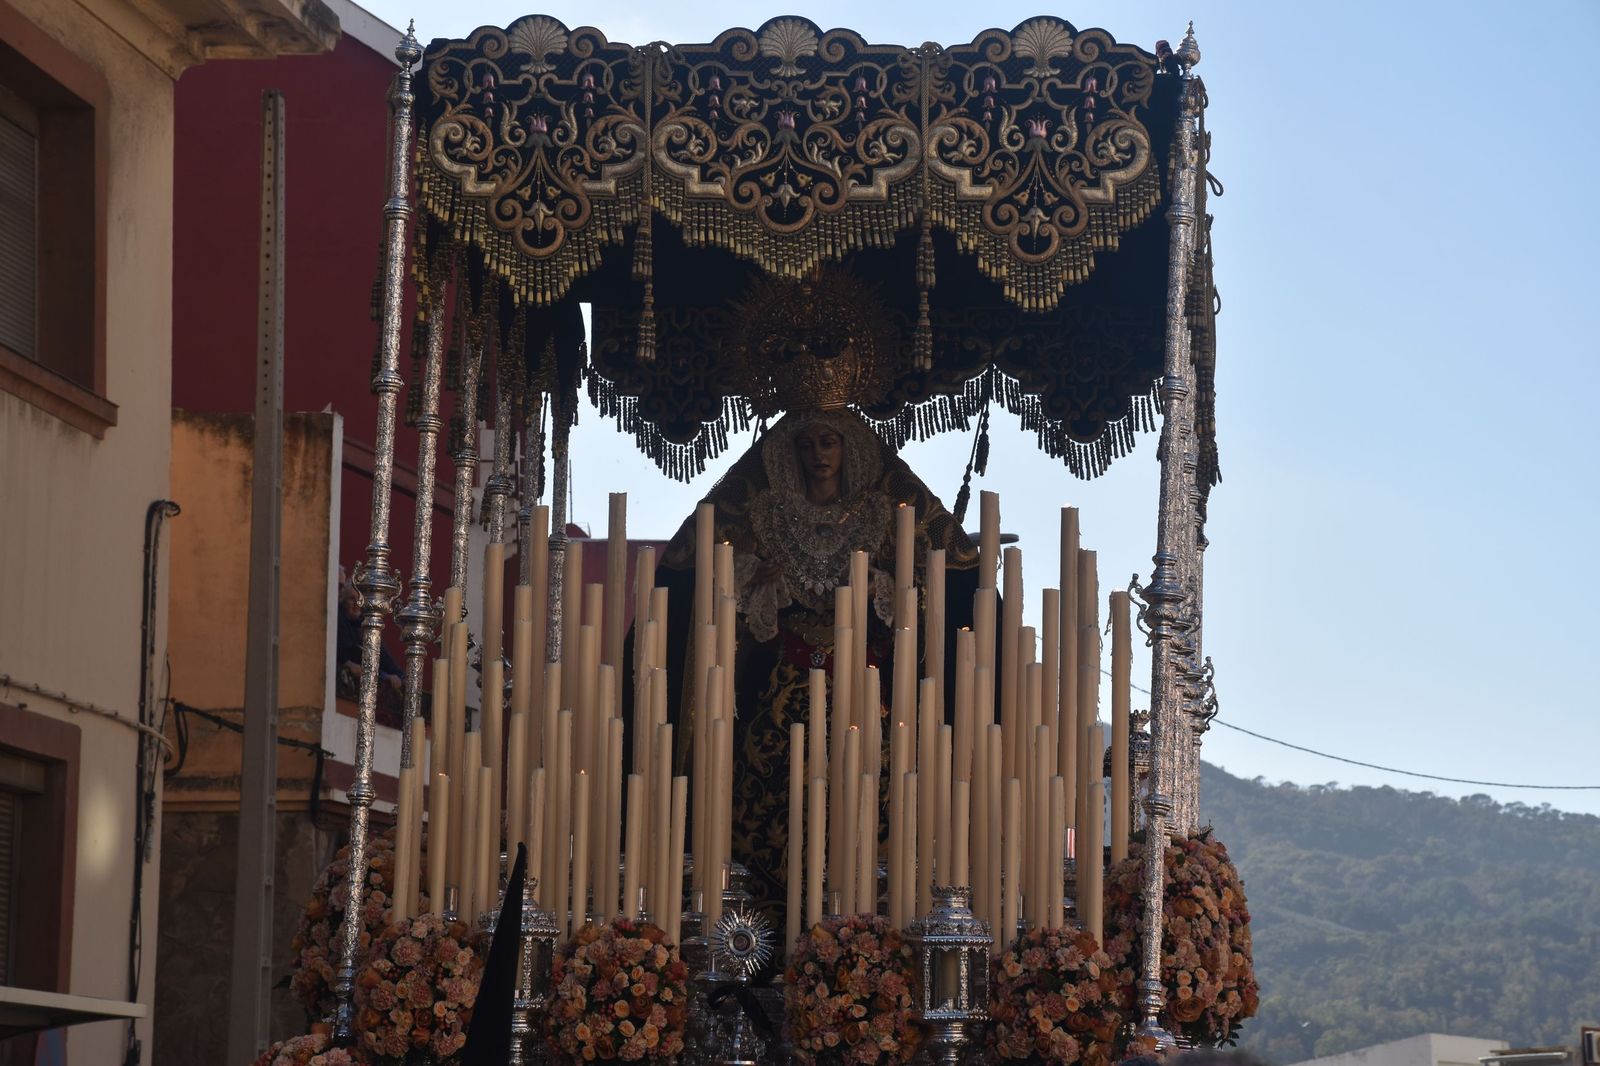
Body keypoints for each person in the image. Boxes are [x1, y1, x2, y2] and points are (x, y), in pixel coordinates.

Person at [637, 407, 981, 945]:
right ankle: (761, 939)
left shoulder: (879, 516)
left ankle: (867, 942)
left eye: (830, 442)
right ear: (788, 454)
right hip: (784, 695)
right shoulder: (768, 514)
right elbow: (735, 605)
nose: (819, 454)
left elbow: (921, 599)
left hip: (863, 699)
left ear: (852, 450)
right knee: (765, 801)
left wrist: (883, 591)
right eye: (807, 444)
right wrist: (756, 582)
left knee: (879, 803)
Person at [335, 566, 405, 711]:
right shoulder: (338, 621)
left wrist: (398, 678)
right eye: (351, 599)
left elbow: (388, 662)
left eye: (360, 600)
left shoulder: (367, 628)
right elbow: (343, 654)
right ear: (342, 600)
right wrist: (385, 677)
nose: (356, 604)